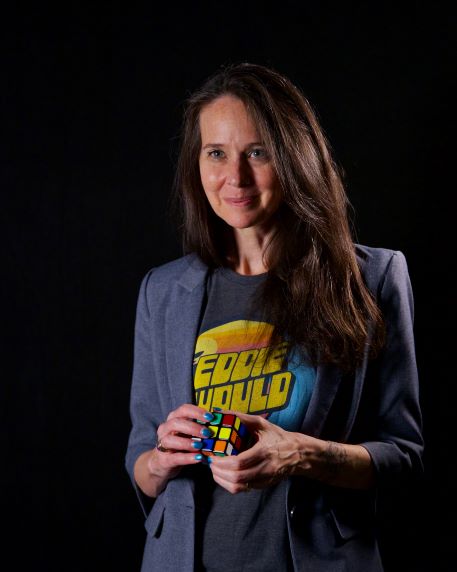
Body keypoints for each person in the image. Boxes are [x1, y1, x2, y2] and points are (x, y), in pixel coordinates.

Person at [125, 62, 423, 572]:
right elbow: (141, 465)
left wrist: (299, 453)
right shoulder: (163, 291)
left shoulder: (372, 277)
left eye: (257, 152)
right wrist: (160, 459)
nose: (234, 177)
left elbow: (404, 457)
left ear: (294, 158)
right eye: (216, 153)